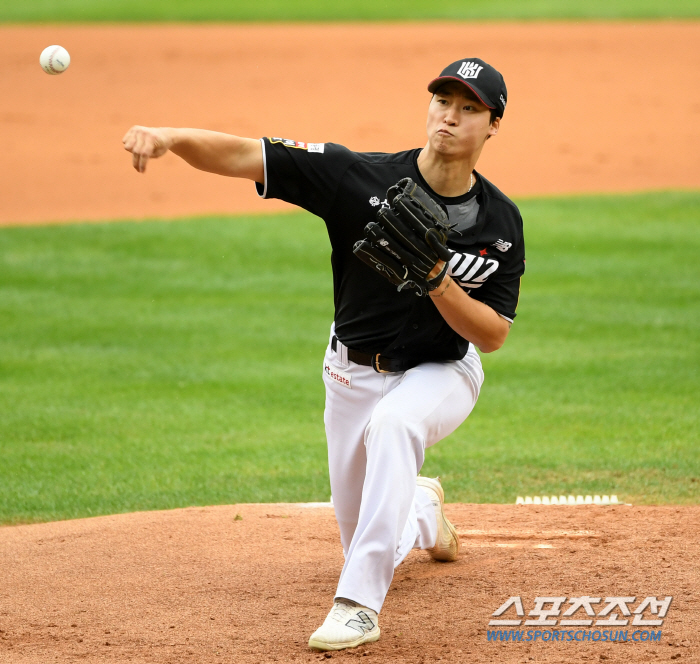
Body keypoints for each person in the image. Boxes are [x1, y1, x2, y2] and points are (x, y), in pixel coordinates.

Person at [122, 57, 525, 652]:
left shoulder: (501, 222)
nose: (451, 116)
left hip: (443, 370)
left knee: (395, 424)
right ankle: (420, 508)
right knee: (366, 529)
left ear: (493, 125)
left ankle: (358, 605)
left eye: (470, 108)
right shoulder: (354, 177)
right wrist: (169, 137)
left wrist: (438, 280)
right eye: (443, 101)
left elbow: (492, 334)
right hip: (351, 372)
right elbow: (248, 156)